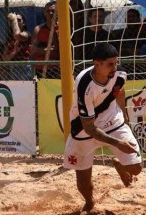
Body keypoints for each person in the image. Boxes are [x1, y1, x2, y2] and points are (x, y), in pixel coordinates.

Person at [63, 43, 142, 213]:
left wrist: (124, 118)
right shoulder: (84, 83)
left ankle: (119, 164)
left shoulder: (120, 73)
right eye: (110, 64)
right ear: (96, 64)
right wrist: (117, 143)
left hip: (112, 121)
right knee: (83, 181)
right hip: (84, 128)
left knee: (136, 168)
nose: (115, 67)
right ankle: (90, 202)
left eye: (116, 63)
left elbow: (119, 91)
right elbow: (89, 127)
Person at [31, 1, 60, 79]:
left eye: (53, 11)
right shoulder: (38, 30)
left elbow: (58, 53)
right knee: (39, 91)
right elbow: (32, 51)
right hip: (40, 69)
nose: (50, 13)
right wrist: (52, 50)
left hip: (57, 70)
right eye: (48, 11)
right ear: (44, 13)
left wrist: (39, 50)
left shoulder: (62, 30)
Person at [2, 12, 32, 80]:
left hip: (24, 66)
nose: (16, 21)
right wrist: (14, 52)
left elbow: (17, 35)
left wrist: (14, 19)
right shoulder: (9, 38)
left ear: (23, 23)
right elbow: (4, 58)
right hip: (13, 67)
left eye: (19, 20)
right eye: (15, 20)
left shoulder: (26, 33)